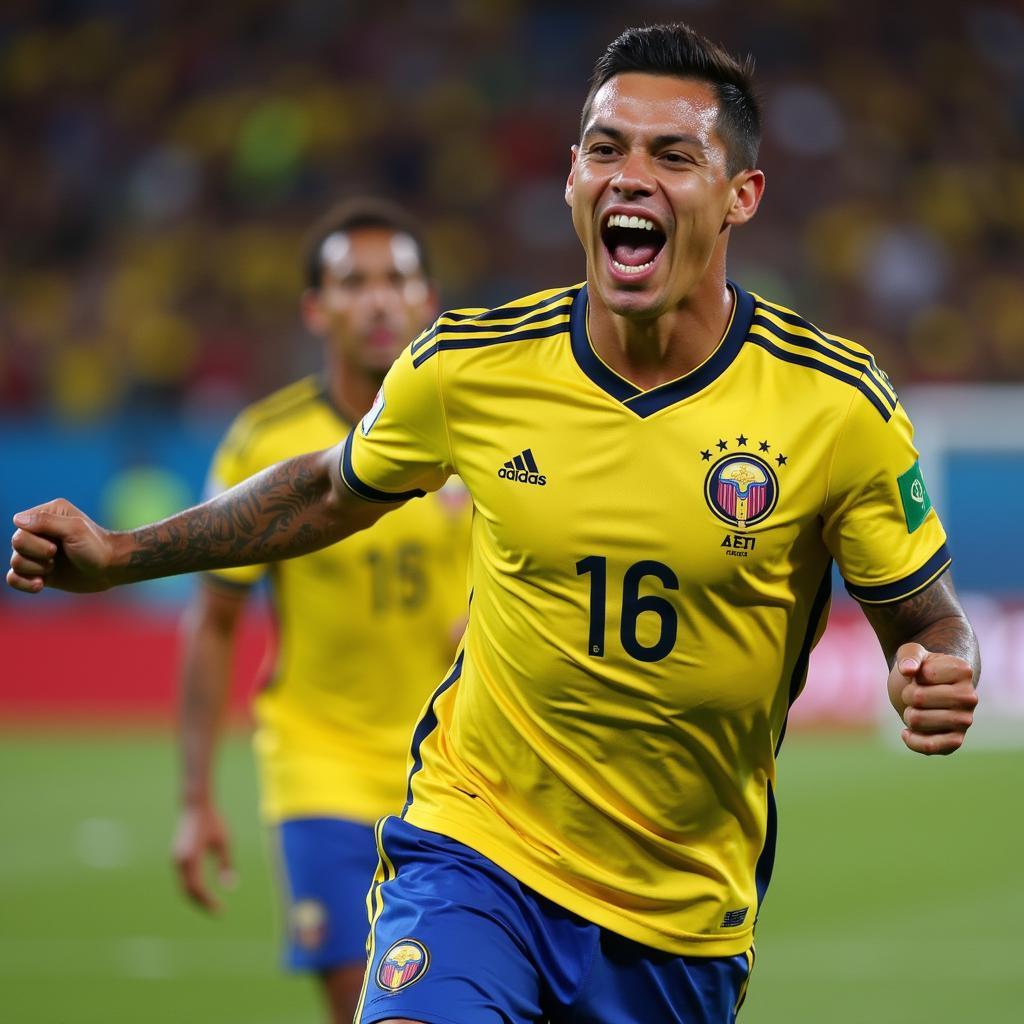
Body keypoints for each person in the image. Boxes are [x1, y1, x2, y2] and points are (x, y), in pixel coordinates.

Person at [8, 23, 979, 1024]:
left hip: (678, 913)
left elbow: (929, 622)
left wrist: (939, 671)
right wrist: (121, 554)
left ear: (741, 195)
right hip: (477, 853)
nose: (628, 175)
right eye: (605, 149)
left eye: (671, 154)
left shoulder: (834, 405)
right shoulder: (471, 365)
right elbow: (327, 487)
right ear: (570, 178)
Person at [170, 198, 470, 1024]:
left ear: (425, 300)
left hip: (454, 771)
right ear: (316, 308)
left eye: (396, 280)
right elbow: (216, 620)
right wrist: (196, 799)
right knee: (363, 1006)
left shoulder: (474, 434)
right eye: (353, 282)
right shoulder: (263, 443)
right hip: (320, 763)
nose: (377, 300)